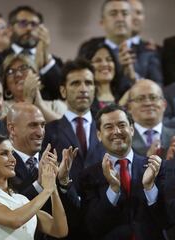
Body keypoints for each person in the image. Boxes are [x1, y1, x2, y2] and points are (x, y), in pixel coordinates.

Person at [80, 104, 166, 239]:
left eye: (121, 125)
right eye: (109, 127)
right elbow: (93, 226)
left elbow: (167, 219)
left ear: (131, 129)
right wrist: (113, 190)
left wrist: (149, 188)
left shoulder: (155, 167)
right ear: (99, 135)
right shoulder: (89, 176)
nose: (117, 131)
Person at [42, 59, 106, 239]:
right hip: (65, 222)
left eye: (88, 83)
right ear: (63, 90)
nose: (83, 88)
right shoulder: (48, 131)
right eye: (76, 83)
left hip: (104, 221)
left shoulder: (109, 128)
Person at [0, 133, 68, 240]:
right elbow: (14, 220)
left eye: (12, 153)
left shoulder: (21, 199)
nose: (13, 159)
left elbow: (59, 230)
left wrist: (52, 186)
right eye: (4, 153)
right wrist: (47, 190)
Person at [0, 5, 64, 100]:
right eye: (23, 23)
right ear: (10, 28)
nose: (29, 28)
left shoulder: (54, 62)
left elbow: (63, 93)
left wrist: (46, 61)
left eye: (34, 24)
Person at [78, 0, 163, 91]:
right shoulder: (88, 49)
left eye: (125, 13)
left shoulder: (148, 52)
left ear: (132, 20)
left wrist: (133, 77)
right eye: (113, 14)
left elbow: (158, 89)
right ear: (102, 22)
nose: (120, 18)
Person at [2, 53, 67, 121]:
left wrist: (39, 105)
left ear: (36, 74)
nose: (18, 74)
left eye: (23, 68)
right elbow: (6, 128)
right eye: (10, 71)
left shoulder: (55, 105)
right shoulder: (0, 106)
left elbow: (66, 128)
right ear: (6, 86)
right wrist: (28, 101)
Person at [127, 79, 175, 160]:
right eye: (140, 99)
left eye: (153, 97)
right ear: (129, 107)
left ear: (164, 104)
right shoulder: (123, 140)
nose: (148, 103)